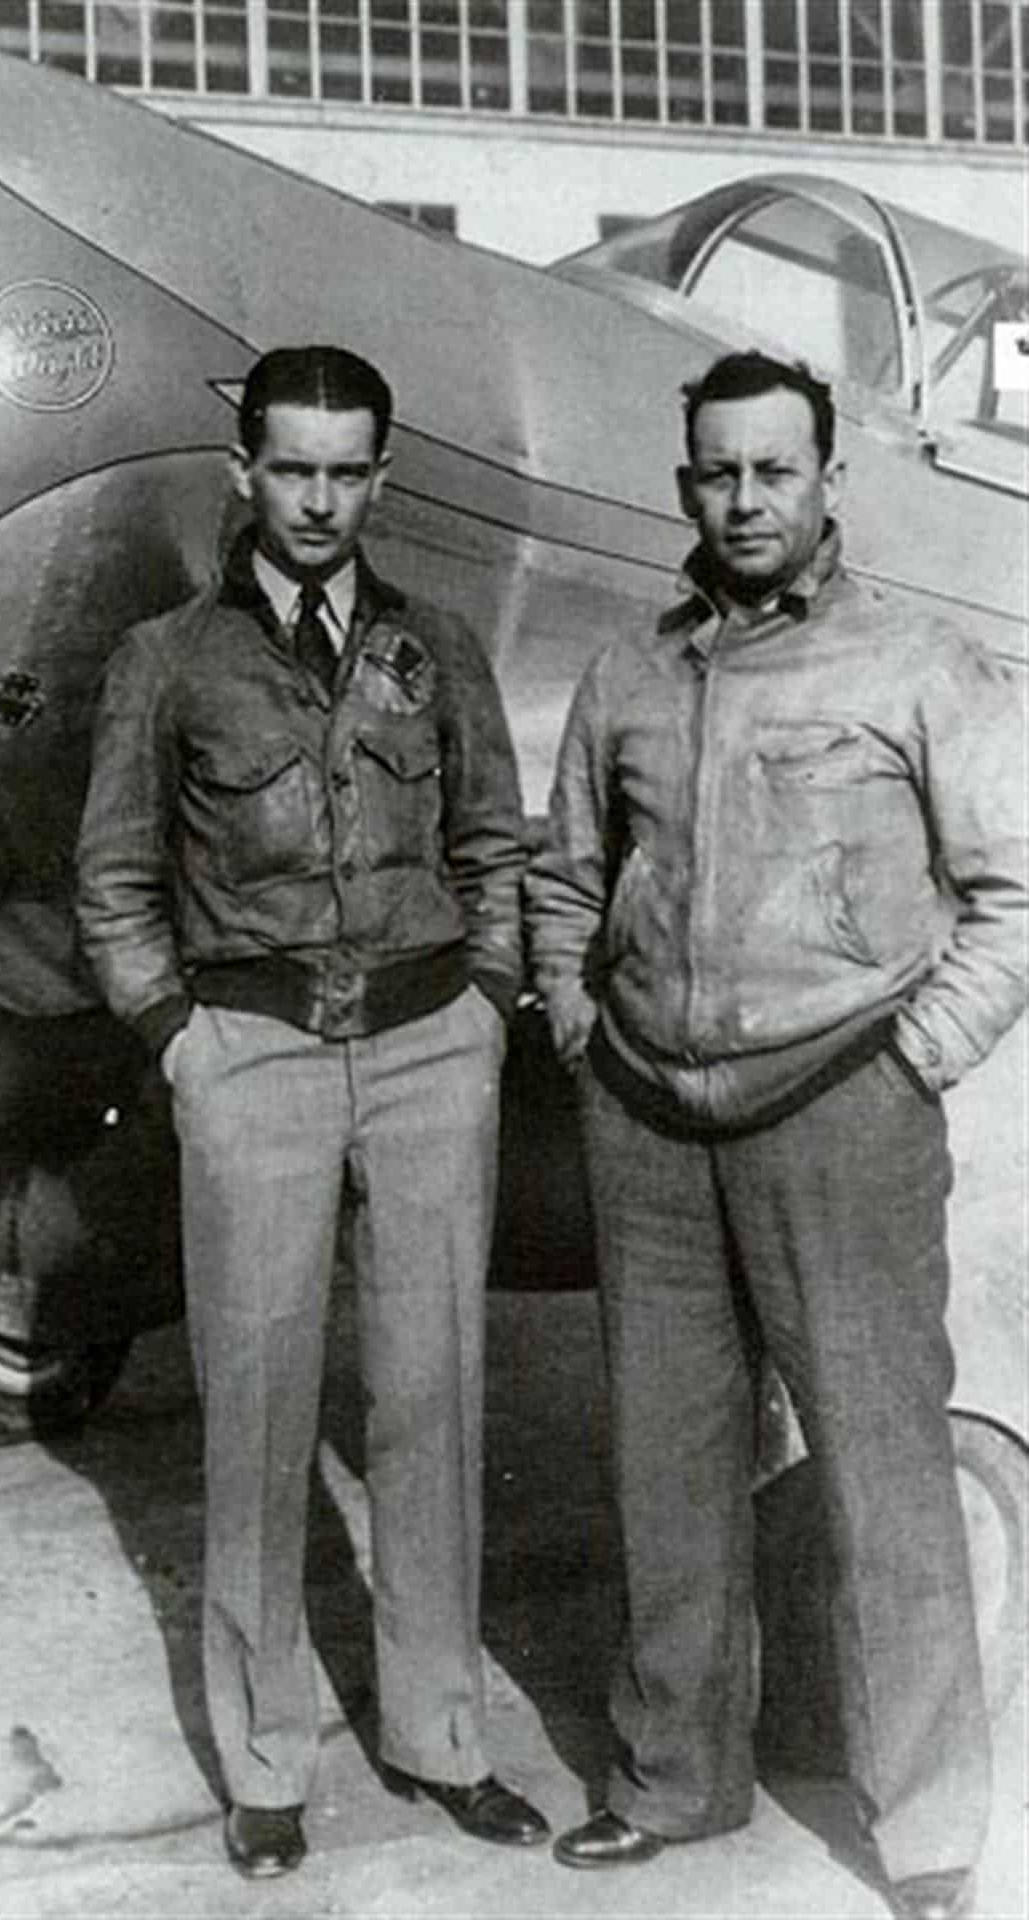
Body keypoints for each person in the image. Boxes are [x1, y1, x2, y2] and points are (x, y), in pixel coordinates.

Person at [525, 349, 1027, 1920]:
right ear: (687, 490)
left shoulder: (918, 667)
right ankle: (675, 1779)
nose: (746, 499)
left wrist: (916, 1061)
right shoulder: (626, 672)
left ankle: (932, 1831)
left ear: (828, 485)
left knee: (884, 1482)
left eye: (775, 471)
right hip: (653, 1126)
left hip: (843, 1121)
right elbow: (562, 882)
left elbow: (1013, 899)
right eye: (718, 474)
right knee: (665, 1472)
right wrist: (575, 1027)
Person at [75, 345, 546, 1878]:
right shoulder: (168, 661)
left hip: (427, 1056)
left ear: (382, 482)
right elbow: (115, 884)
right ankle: (268, 1760)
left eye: (350, 473)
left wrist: (480, 1011)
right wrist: (183, 1048)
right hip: (253, 1062)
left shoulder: (441, 647)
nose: (322, 501)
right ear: (244, 473)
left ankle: (441, 1736)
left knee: (432, 1401)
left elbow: (494, 846)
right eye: (295, 470)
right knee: (261, 1417)